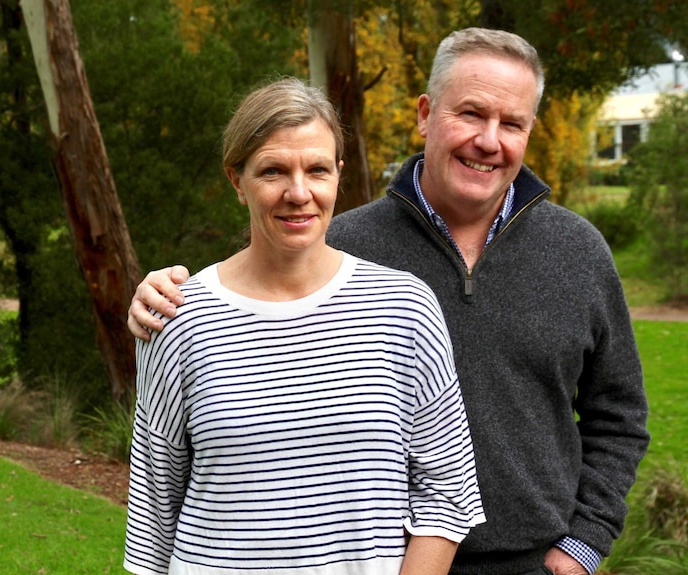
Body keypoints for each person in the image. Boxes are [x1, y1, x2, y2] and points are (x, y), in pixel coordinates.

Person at [126, 28, 650, 575]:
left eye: (511, 123)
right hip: (387, 559)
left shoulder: (577, 252)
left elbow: (619, 415)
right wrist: (160, 296)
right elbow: (253, 296)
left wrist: (584, 545)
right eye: (470, 114)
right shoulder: (342, 243)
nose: (489, 140)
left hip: (530, 563)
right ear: (425, 114)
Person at [123, 77, 485, 575]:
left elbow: (447, 494)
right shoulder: (178, 316)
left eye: (316, 169)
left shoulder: (404, 308)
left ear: (338, 174)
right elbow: (153, 517)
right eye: (272, 170)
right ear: (236, 179)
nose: (299, 193)